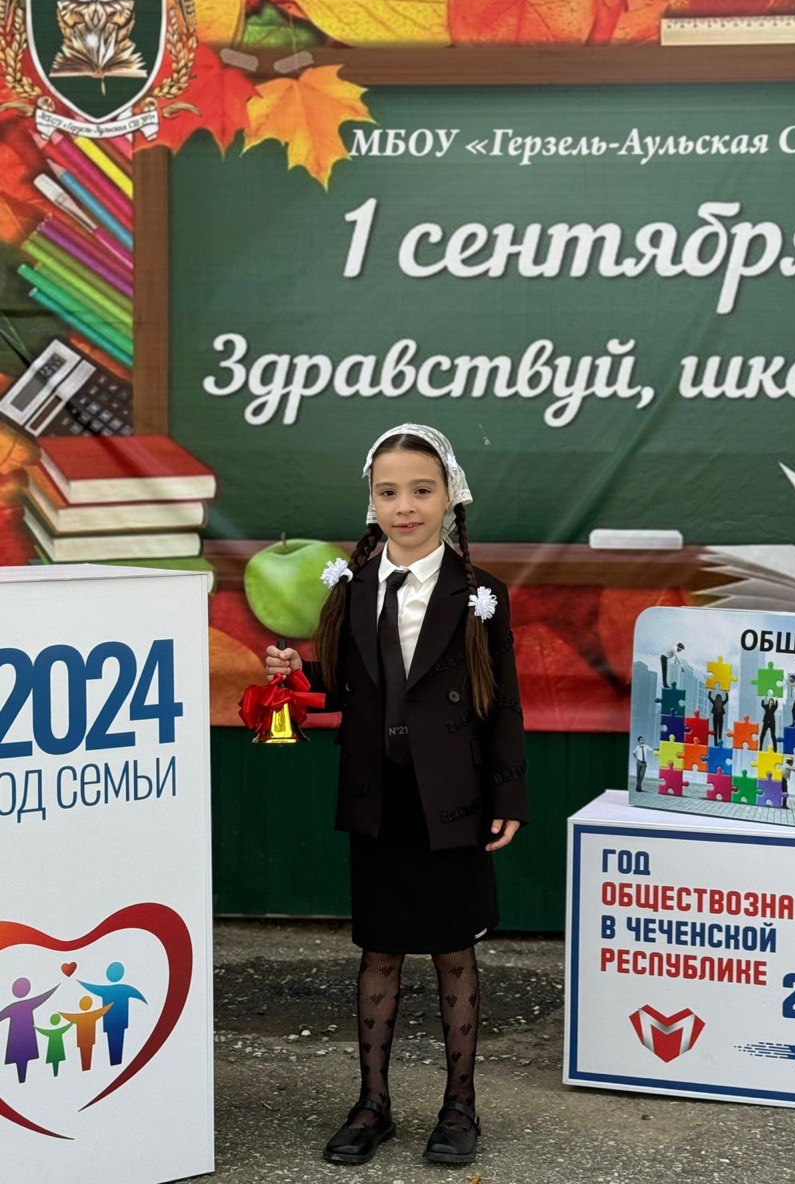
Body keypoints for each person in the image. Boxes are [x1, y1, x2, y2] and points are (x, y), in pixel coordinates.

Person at [264, 424, 527, 1168]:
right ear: (371, 502)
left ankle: (459, 1107)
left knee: (452, 953)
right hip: (378, 799)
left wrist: (509, 793)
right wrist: (296, 675)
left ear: (450, 496)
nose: (404, 506)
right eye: (388, 492)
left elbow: (502, 702)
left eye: (421, 490)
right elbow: (344, 686)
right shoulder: (351, 587)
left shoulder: (480, 594)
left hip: (452, 801)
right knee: (379, 952)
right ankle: (372, 1104)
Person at [77, 961, 147, 1066]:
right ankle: (115, 1062)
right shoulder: (124, 988)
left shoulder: (107, 990)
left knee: (114, 1042)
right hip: (118, 1022)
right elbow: (137, 994)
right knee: (117, 1041)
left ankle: (115, 1062)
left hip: (111, 1022)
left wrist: (79, 981)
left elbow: (92, 988)